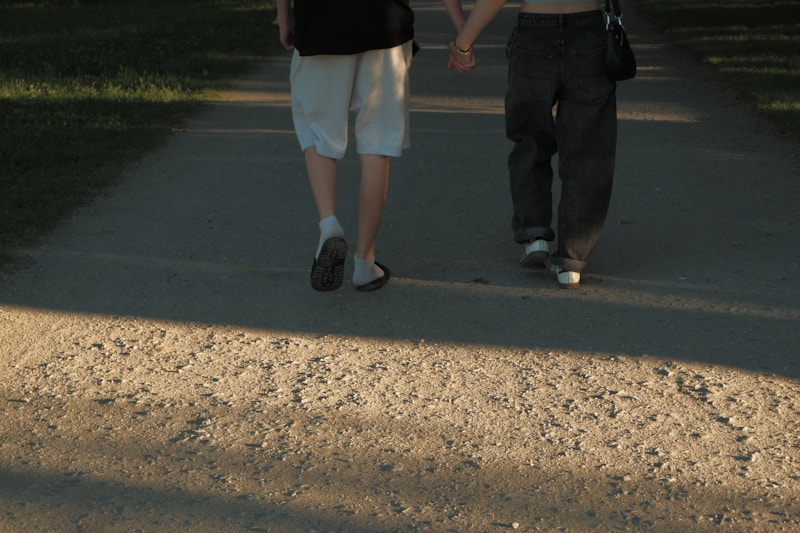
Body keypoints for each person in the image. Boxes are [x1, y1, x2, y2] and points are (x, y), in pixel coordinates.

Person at [277, 0, 470, 291]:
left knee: (319, 133)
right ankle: (365, 264)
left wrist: (284, 16)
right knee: (377, 143)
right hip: (386, 25)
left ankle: (329, 225)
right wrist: (462, 31)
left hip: (320, 23)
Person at [449, 0, 617, 289]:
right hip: (588, 32)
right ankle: (571, 261)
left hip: (534, 33)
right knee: (587, 151)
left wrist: (463, 43)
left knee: (529, 140)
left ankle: (534, 235)